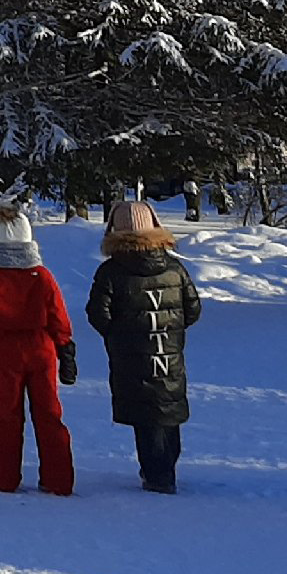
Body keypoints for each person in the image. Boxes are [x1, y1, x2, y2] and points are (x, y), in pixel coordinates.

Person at [86, 196, 204, 494]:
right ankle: (168, 467)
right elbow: (193, 309)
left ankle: (156, 475)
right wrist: (172, 329)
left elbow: (98, 313)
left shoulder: (111, 271)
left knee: (144, 415)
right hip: (168, 351)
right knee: (168, 407)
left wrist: (118, 335)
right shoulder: (175, 268)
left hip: (131, 356)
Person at [0, 203, 76, 495]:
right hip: (42, 348)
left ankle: (5, 478)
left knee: (6, 414)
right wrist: (66, 351)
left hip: (4, 350)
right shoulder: (42, 276)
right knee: (49, 413)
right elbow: (58, 317)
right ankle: (58, 479)